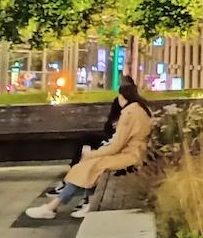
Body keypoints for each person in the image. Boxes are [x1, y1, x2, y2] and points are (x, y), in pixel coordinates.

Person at [26, 79, 153, 220]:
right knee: (90, 165)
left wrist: (93, 154)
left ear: (122, 97)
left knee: (90, 164)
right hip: (134, 154)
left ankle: (55, 207)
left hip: (130, 157)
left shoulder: (129, 113)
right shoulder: (141, 109)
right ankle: (64, 205)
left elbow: (117, 146)